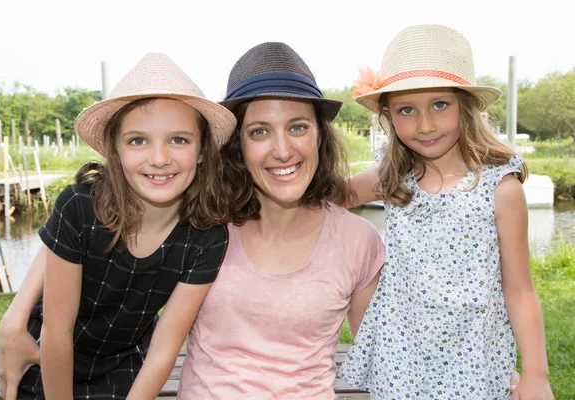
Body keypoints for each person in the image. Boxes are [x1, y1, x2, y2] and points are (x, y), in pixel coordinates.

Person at [0, 53, 236, 399]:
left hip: (124, 368)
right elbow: (57, 330)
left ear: (201, 151)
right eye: (138, 140)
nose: (159, 158)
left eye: (179, 140)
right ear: (116, 149)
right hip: (46, 359)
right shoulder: (79, 208)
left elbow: (164, 347)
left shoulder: (207, 237)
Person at [340, 24, 554, 399]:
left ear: (465, 106)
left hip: (472, 362)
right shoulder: (392, 178)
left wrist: (536, 373)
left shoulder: (500, 189)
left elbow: (519, 291)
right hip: (400, 362)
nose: (425, 125)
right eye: (407, 110)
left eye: (440, 105)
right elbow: (329, 196)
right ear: (389, 116)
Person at [168, 42, 384, 400]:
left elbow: (382, 355)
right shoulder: (204, 224)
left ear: (319, 136)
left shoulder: (357, 240)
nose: (282, 150)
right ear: (236, 145)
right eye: (259, 131)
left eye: (298, 127)